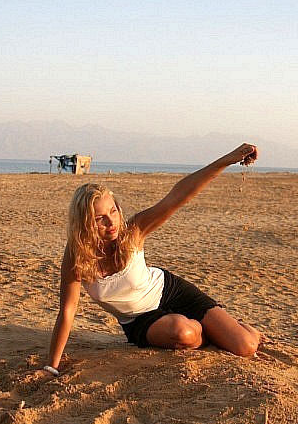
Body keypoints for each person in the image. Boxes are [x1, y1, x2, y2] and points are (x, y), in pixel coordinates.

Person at [42, 143, 263, 378]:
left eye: (113, 211)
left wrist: (228, 159)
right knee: (183, 333)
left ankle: (239, 330)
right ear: (86, 223)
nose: (111, 222)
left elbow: (178, 196)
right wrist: (51, 366)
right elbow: (67, 312)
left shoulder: (133, 231)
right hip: (139, 320)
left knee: (246, 346)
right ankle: (211, 331)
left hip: (171, 291)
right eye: (100, 218)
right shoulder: (77, 255)